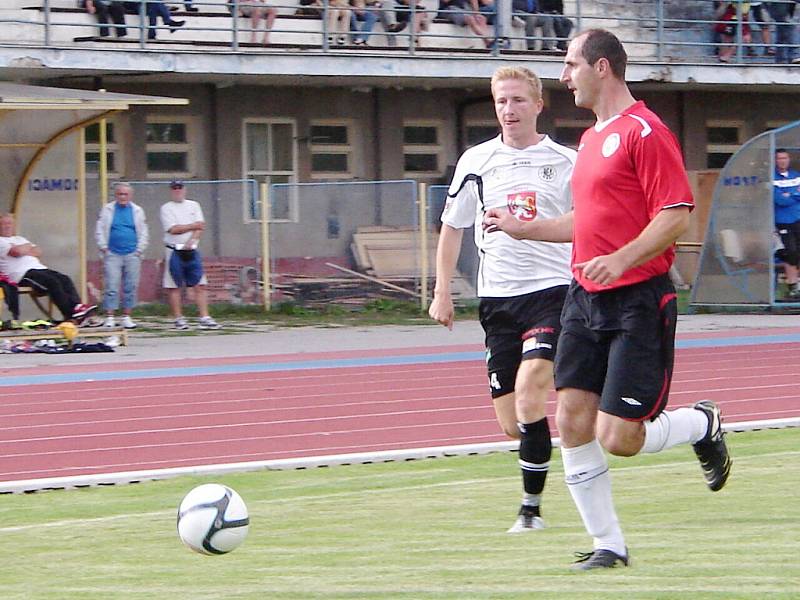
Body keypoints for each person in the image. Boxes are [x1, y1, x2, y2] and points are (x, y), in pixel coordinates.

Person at [484, 29, 732, 570]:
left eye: (570, 64)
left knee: (619, 437)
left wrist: (621, 258)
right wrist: (528, 230)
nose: (563, 75)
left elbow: (676, 213)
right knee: (572, 420)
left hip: (638, 299)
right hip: (583, 297)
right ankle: (609, 546)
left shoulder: (644, 131)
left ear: (601, 68)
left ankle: (702, 424)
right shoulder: (592, 140)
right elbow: (587, 222)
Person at [429, 66, 575, 533]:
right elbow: (452, 228)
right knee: (514, 423)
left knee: (533, 388)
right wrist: (442, 292)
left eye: (517, 100)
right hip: (498, 301)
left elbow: (589, 222)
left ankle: (530, 511)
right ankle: (575, 440)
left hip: (552, 293)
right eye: (500, 102)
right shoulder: (477, 161)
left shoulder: (566, 162)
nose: (508, 110)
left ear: (538, 104)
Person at [0, 214, 97, 324]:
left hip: (39, 268)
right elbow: (16, 252)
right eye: (4, 224)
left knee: (64, 279)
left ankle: (78, 308)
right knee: (52, 282)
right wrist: (27, 247)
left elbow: (38, 251)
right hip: (22, 274)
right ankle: (71, 315)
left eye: (9, 223)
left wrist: (23, 248)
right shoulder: (1, 241)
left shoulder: (19, 239)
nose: (7, 226)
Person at [160, 181, 221, 331]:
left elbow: (201, 226)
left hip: (191, 249)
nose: (177, 191)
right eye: (175, 188)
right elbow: (173, 229)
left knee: (199, 284)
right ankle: (178, 318)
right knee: (174, 285)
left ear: (184, 189)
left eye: (180, 188)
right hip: (174, 250)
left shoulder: (194, 205)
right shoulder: (166, 208)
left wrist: (193, 239)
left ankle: (204, 316)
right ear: (171, 191)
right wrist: (192, 226)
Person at [95, 182, 149, 329]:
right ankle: (110, 316)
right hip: (112, 253)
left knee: (130, 285)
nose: (123, 197)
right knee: (111, 285)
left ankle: (127, 316)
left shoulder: (137, 211)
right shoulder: (108, 209)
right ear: (116, 195)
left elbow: (143, 231)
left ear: (130, 196)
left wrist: (139, 250)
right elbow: (100, 229)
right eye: (120, 194)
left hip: (132, 253)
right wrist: (104, 248)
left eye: (126, 194)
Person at [773, 148, 800, 299]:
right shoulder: (772, 177)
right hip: (783, 221)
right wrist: (795, 195)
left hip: (798, 218)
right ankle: (792, 287)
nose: (782, 161)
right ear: (775, 160)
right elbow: (779, 200)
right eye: (779, 158)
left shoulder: (796, 175)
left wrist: (790, 195)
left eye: (785, 158)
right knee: (791, 252)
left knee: (798, 253)